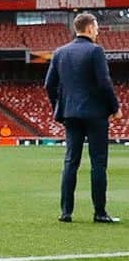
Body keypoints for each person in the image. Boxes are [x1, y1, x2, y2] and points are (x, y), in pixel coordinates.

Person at [45, 12, 122, 223]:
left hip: (70, 113)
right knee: (98, 163)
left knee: (70, 162)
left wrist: (59, 107)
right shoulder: (95, 51)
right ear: (89, 28)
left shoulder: (60, 52)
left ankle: (66, 212)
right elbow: (104, 82)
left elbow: (49, 85)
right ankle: (100, 212)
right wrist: (115, 107)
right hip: (96, 114)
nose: (97, 32)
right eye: (96, 28)